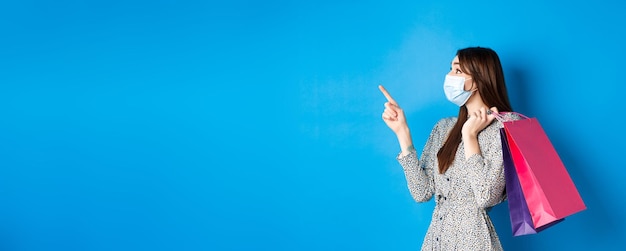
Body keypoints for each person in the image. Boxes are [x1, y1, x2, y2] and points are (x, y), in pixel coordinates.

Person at [379, 47, 519, 250]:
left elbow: (486, 196)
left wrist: (469, 135)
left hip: (473, 242)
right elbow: (422, 192)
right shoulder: (444, 127)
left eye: (458, 71)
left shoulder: (505, 126)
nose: (449, 76)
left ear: (480, 79)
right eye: (451, 69)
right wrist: (402, 132)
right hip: (436, 239)